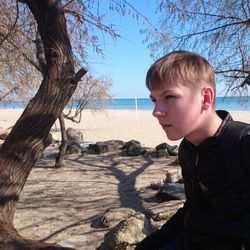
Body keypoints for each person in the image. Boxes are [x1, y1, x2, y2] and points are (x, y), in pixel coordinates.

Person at [135, 51, 250, 250]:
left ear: (205, 97)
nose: (156, 111)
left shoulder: (243, 143)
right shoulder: (187, 149)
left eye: (169, 96)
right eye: (154, 100)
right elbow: (193, 207)